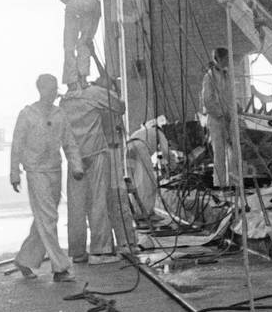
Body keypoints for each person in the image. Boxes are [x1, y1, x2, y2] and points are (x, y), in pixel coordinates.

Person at [10, 74, 84, 282]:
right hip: (35, 171)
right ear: (40, 89)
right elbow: (17, 145)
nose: (52, 92)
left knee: (44, 219)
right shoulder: (27, 115)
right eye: (49, 88)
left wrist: (76, 166)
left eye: (54, 88)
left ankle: (25, 259)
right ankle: (60, 268)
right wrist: (14, 172)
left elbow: (69, 142)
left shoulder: (59, 115)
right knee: (49, 218)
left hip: (54, 170)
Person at [59, 76, 130, 264]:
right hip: (96, 153)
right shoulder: (94, 93)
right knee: (98, 201)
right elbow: (120, 107)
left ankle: (78, 251)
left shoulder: (64, 101)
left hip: (74, 158)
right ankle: (101, 250)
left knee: (76, 206)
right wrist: (112, 92)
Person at [199, 47, 239, 190]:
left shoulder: (227, 75)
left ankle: (234, 183)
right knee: (219, 152)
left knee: (234, 151)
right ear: (220, 59)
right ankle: (220, 184)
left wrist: (235, 109)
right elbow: (207, 100)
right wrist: (221, 114)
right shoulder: (209, 77)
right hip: (216, 120)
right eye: (226, 58)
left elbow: (229, 95)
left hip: (229, 117)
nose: (228, 61)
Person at [126, 120, 171, 220]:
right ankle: (149, 213)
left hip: (128, 149)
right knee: (149, 183)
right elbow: (166, 151)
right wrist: (174, 165)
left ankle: (138, 212)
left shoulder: (142, 131)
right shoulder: (158, 132)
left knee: (136, 184)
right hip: (140, 149)